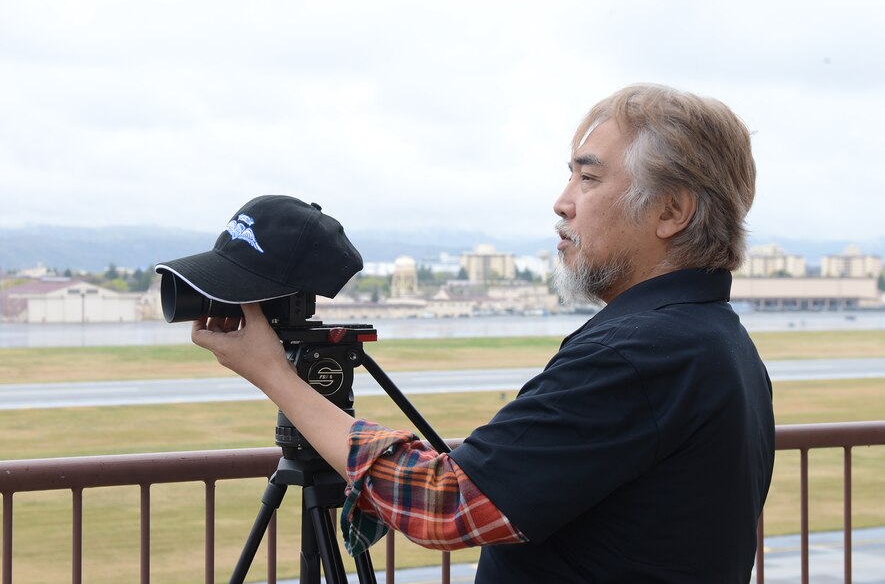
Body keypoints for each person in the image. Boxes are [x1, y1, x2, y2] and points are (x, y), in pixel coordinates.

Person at [190, 83, 775, 583]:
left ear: (671, 211)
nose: (562, 204)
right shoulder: (715, 339)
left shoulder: (642, 355)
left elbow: (445, 505)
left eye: (589, 179)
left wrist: (273, 372)